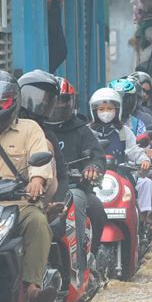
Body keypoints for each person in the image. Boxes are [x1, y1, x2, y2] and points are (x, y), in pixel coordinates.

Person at [0, 70, 57, 302]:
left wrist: (36, 180)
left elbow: (41, 159)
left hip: (19, 204)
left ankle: (32, 288)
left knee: (37, 222)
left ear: (13, 101)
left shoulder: (30, 129)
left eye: (0, 104)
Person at [46, 77, 107, 260]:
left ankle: (85, 260)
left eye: (65, 100)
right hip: (43, 191)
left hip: (74, 187)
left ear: (73, 102)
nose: (60, 105)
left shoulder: (82, 130)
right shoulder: (36, 129)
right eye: (56, 101)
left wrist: (92, 167)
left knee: (96, 209)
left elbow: (98, 157)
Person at [89, 88, 152, 236]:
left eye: (110, 108)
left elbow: (134, 151)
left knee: (145, 183)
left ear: (117, 110)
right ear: (94, 111)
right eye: (102, 109)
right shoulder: (88, 132)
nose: (106, 112)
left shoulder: (125, 132)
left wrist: (144, 160)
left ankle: (139, 226)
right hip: (94, 178)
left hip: (121, 176)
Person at [18, 69, 69, 203]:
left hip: (34, 200)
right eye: (36, 97)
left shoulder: (47, 135)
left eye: (47, 99)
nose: (41, 103)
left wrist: (56, 202)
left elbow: (62, 176)